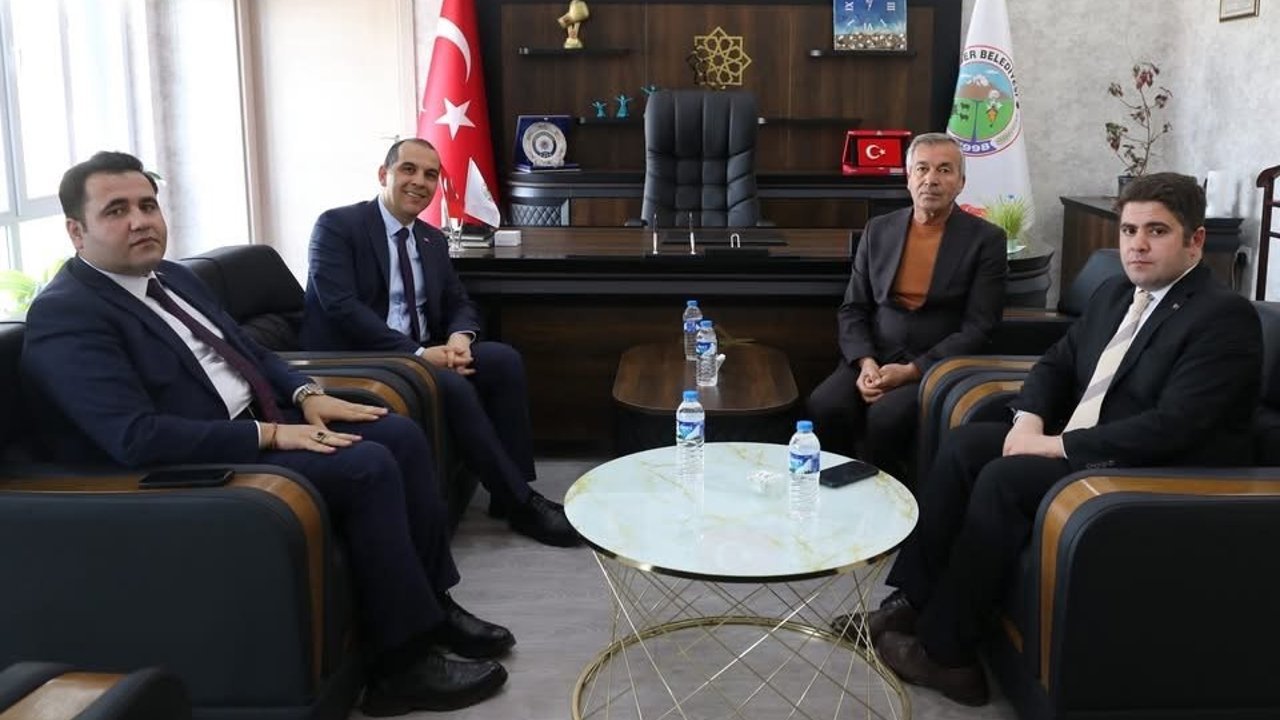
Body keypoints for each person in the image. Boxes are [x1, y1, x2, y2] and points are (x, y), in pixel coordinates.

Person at [23, 151, 514, 716]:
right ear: (76, 231)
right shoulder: (68, 314)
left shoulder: (172, 278)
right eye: (116, 211)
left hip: (263, 413)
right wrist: (271, 436)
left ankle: (432, 606)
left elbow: (250, 350)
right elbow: (134, 437)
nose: (140, 221)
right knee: (365, 465)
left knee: (397, 434)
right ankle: (400, 669)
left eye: (147, 206)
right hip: (196, 459)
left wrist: (306, 395)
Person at [843, 172, 1262, 706]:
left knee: (1004, 479)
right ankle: (912, 602)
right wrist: (1028, 419)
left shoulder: (1223, 317)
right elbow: (1056, 364)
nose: (1137, 244)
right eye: (1129, 230)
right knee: (967, 447)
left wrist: (1055, 446)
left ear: (1195, 240)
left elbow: (1175, 427)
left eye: (1156, 231)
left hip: (1151, 468)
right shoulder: (1118, 294)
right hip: (1086, 440)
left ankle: (947, 655)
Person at [299, 138, 578, 547]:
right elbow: (341, 308)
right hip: (357, 357)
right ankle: (521, 503)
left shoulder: (431, 239)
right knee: (446, 382)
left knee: (502, 360)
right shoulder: (338, 226)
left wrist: (459, 338)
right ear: (384, 174)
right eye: (408, 170)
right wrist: (417, 354)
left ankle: (510, 489)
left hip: (418, 348)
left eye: (431, 175)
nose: (420, 182)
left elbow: (458, 301)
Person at [807, 133, 1007, 484]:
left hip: (934, 363)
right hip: (875, 355)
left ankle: (894, 501)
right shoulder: (878, 230)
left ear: (961, 182)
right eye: (922, 169)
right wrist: (866, 362)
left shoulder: (985, 239)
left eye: (944, 170)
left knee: (886, 418)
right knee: (824, 405)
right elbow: (853, 308)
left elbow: (980, 327)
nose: (931, 179)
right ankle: (837, 490)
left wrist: (911, 371)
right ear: (909, 178)